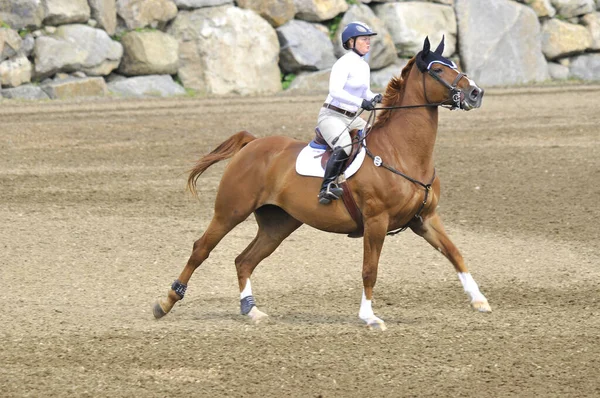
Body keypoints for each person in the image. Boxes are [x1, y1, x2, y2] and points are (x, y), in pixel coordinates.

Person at [317, 21, 383, 205]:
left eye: (369, 39)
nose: (368, 42)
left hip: (351, 117)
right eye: (364, 39)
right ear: (351, 42)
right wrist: (362, 102)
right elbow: (335, 91)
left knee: (376, 137)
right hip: (332, 115)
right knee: (344, 147)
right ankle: (326, 187)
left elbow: (365, 92)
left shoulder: (364, 66)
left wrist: (377, 97)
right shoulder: (343, 63)